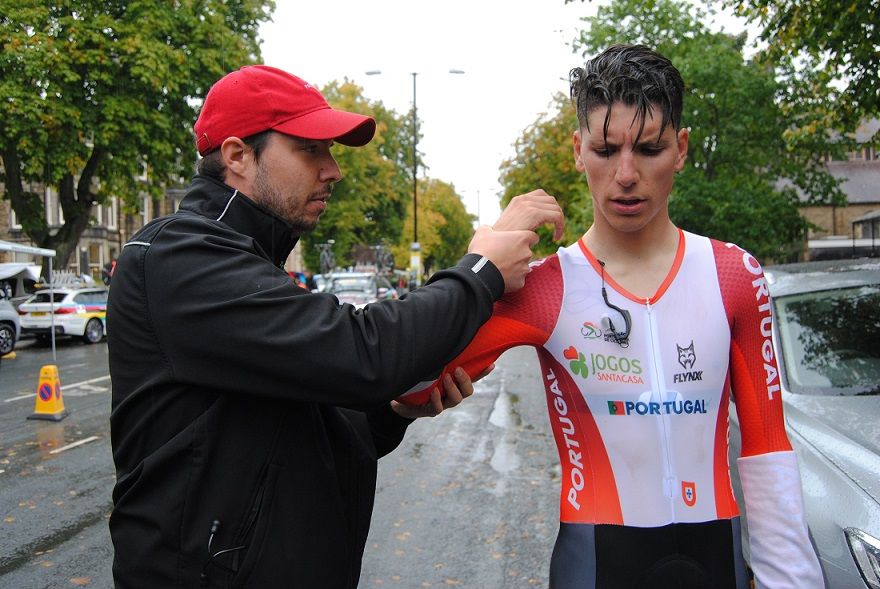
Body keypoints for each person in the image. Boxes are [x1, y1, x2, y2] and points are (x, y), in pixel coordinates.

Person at [106, 64, 563, 589]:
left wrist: (394, 411)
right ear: (237, 156)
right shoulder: (179, 256)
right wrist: (481, 271)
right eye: (310, 149)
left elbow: (309, 435)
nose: (334, 170)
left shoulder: (249, 263)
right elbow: (364, 354)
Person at [398, 45, 823, 589]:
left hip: (716, 559)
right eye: (604, 149)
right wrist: (484, 258)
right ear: (579, 150)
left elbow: (767, 447)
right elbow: (409, 384)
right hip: (596, 563)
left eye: (649, 149)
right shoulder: (544, 287)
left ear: (681, 149)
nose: (626, 174)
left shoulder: (735, 275)